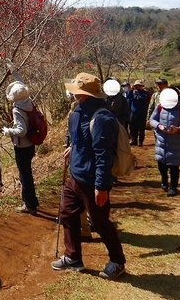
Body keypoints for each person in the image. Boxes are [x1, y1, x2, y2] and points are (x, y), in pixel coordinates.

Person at [51, 72, 126, 280]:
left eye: (76, 91)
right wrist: (72, 148)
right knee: (67, 213)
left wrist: (101, 186)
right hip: (75, 176)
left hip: (93, 180)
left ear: (84, 95)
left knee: (100, 222)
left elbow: (104, 154)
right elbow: (78, 139)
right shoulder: (77, 113)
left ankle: (117, 261)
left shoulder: (102, 118)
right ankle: (73, 257)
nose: (73, 94)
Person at [2, 61, 39, 215]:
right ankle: (32, 201)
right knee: (27, 173)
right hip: (31, 144)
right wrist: (13, 71)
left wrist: (8, 131)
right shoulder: (27, 101)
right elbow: (21, 84)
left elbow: (21, 130)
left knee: (25, 175)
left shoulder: (18, 109)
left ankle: (29, 204)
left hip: (22, 146)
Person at [149, 87, 180, 197]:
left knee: (174, 167)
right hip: (161, 141)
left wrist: (178, 129)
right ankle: (164, 179)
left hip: (176, 142)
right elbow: (152, 120)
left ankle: (173, 187)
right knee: (161, 164)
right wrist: (159, 126)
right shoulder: (160, 107)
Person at [128, 80, 150, 146]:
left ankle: (140, 142)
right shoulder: (132, 92)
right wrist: (131, 90)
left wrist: (139, 92)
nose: (137, 87)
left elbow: (142, 98)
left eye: (139, 85)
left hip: (142, 113)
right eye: (136, 85)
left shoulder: (145, 93)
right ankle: (134, 140)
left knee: (141, 128)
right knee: (133, 127)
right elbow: (128, 97)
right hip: (133, 113)